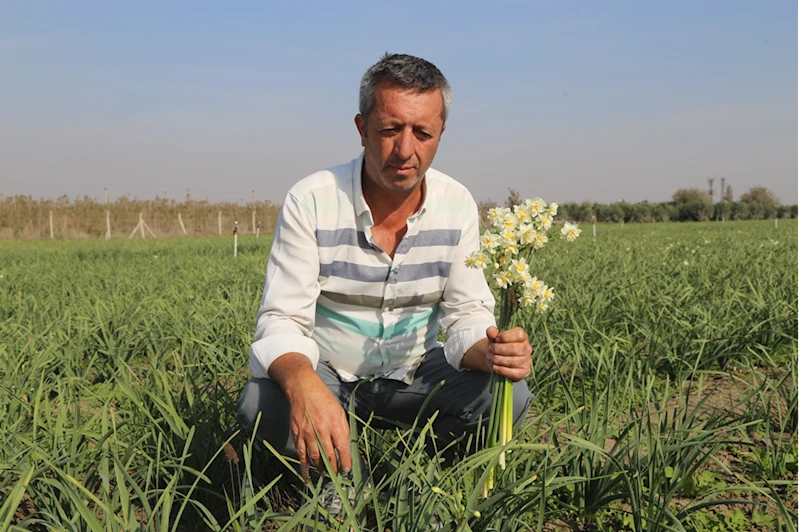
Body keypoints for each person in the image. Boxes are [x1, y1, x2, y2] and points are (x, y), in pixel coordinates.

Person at [236, 53, 534, 482]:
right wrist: (304, 384)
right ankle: (335, 481)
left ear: (441, 134)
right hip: (330, 375)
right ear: (362, 129)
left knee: (509, 393)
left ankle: (420, 477)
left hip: (415, 374)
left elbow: (466, 315)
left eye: (423, 132)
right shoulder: (313, 200)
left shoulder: (456, 205)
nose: (406, 150)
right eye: (390, 129)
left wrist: (491, 351)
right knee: (260, 402)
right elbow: (282, 319)